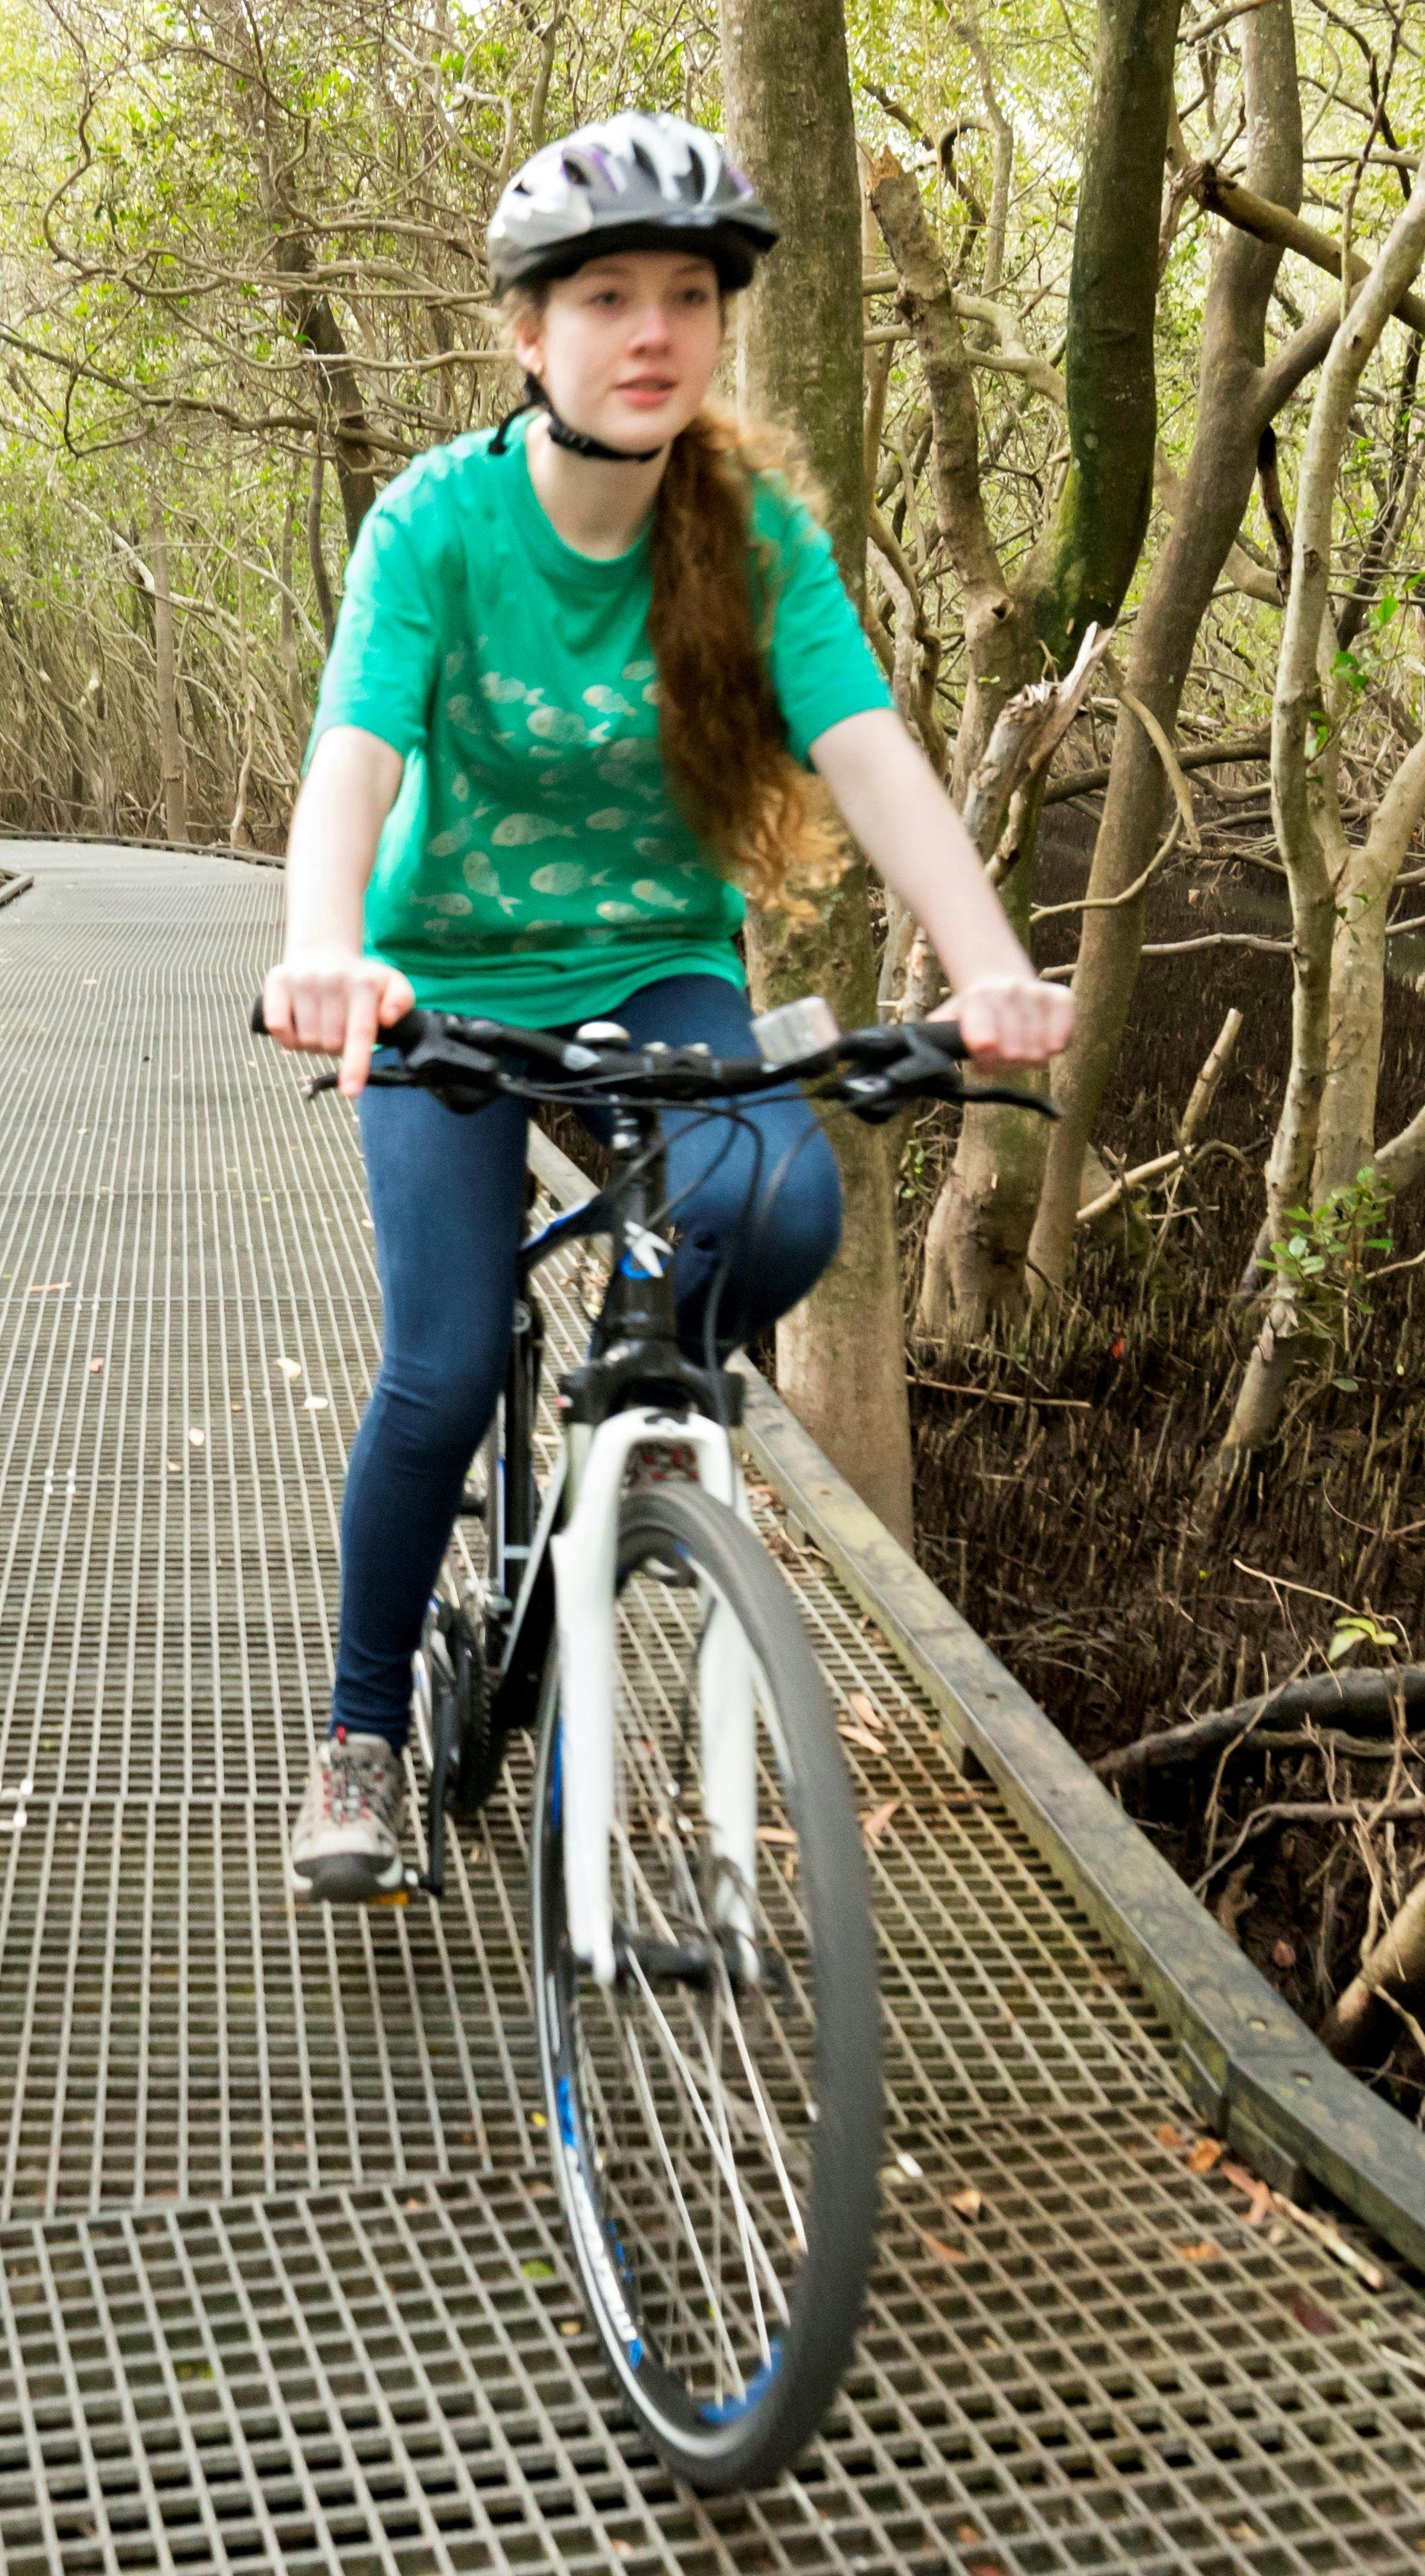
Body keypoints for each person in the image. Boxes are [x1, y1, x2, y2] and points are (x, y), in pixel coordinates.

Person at [253, 111, 1073, 1899]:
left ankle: (633, 1470)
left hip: (655, 970)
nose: (648, 332)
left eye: (684, 297)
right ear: (524, 334)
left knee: (771, 1200)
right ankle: (360, 1731)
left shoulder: (748, 535)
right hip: (447, 987)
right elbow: (353, 759)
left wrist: (990, 965)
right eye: (602, 296)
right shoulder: (439, 526)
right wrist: (326, 941)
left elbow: (872, 756)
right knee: (445, 1356)